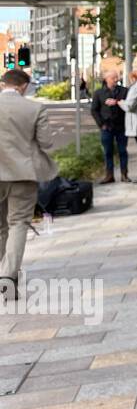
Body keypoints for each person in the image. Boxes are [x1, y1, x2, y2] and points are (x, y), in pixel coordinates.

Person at [0, 68, 57, 303]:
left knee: (1, 227)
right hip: (23, 174)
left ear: (3, 84)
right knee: (18, 224)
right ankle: (7, 278)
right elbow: (46, 142)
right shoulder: (34, 108)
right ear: (23, 86)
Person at [91, 70, 130, 184]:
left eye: (117, 77)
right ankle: (109, 175)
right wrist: (101, 124)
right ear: (106, 79)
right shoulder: (99, 93)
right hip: (106, 127)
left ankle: (124, 174)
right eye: (113, 78)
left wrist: (117, 102)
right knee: (108, 151)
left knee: (123, 150)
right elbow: (94, 110)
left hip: (121, 126)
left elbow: (129, 105)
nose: (116, 80)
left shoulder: (124, 91)